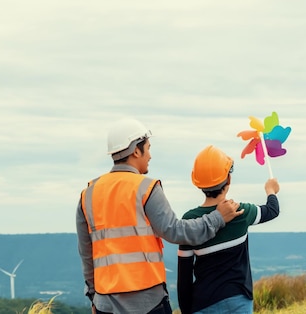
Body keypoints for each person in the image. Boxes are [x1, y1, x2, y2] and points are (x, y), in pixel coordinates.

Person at [76, 118, 244, 314]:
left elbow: (86, 253)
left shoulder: (88, 194)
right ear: (136, 151)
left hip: (106, 304)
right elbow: (176, 232)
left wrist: (93, 296)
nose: (150, 155)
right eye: (148, 148)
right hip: (148, 302)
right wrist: (217, 218)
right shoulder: (146, 188)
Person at [177, 145, 280, 314]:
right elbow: (272, 210)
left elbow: (184, 275)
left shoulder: (189, 220)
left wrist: (186, 309)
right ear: (228, 180)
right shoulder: (241, 212)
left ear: (197, 183)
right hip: (238, 300)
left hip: (202, 303)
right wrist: (271, 190)